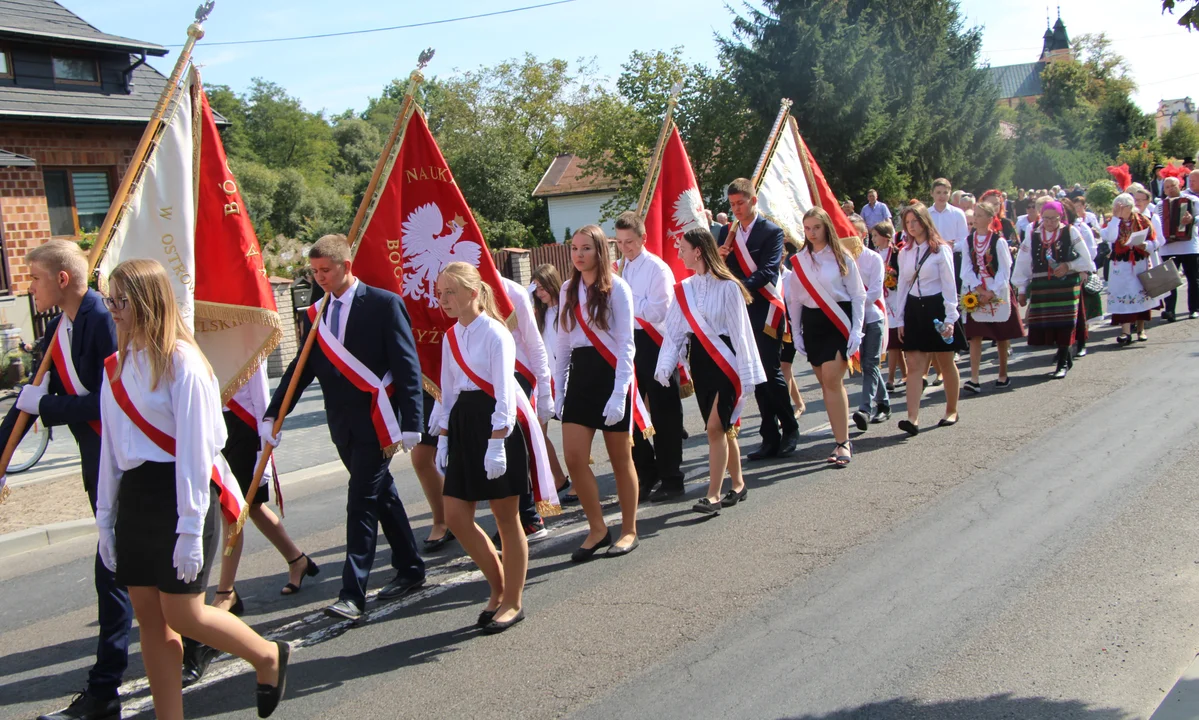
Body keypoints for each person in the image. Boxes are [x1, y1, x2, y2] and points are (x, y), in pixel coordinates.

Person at [95, 259, 287, 720]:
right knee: (150, 619)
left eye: (121, 301)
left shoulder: (184, 362)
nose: (114, 311)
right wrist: (105, 518)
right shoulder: (116, 366)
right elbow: (112, 449)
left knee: (185, 614)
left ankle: (267, 656)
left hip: (182, 494)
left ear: (146, 302)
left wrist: (187, 527)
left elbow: (196, 454)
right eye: (110, 301)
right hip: (137, 497)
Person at [264, 234, 426, 623]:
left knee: (361, 503)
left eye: (326, 270)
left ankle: (352, 593)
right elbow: (299, 370)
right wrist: (274, 414)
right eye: (314, 271)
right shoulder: (314, 313)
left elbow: (407, 365)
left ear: (346, 266)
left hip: (377, 420)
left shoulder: (384, 304)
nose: (319, 278)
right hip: (341, 425)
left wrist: (412, 421)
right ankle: (410, 568)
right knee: (381, 496)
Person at [0, 241, 127, 720]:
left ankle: (105, 691)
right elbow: (26, 400)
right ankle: (198, 636)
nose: (25, 286)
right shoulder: (60, 327)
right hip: (97, 466)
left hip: (124, 466)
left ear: (62, 280)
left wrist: (46, 407)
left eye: (32, 277)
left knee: (113, 576)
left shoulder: (101, 319)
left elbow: (112, 403)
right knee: (127, 576)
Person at [181, 361, 317, 687]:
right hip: (217, 427)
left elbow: (260, 395)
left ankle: (226, 591)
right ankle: (297, 560)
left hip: (245, 428)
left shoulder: (244, 333)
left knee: (236, 512)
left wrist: (263, 451)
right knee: (249, 509)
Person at [432, 262, 534, 633]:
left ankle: (512, 601)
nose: (443, 299)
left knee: (507, 519)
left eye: (450, 292)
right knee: (456, 515)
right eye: (440, 292)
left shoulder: (495, 333)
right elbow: (449, 389)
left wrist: (497, 442)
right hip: (462, 425)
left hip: (494, 425)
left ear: (473, 293)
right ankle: (497, 586)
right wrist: (443, 437)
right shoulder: (450, 337)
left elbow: (505, 392)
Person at [656, 228, 764, 514]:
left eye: (683, 248)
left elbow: (742, 333)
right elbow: (675, 333)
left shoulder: (729, 287)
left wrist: (748, 374)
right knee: (724, 429)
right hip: (701, 362)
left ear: (698, 251)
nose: (679, 253)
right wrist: (666, 365)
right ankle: (738, 484)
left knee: (714, 428)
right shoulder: (685, 289)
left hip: (726, 361)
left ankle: (713, 494)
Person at [554, 225, 641, 561]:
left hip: (611, 375)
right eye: (575, 248)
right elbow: (563, 342)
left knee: (620, 459)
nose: (579, 254)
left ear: (601, 251)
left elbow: (625, 345)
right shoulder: (567, 289)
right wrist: (559, 389)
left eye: (586, 248)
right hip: (580, 376)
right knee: (574, 458)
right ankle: (597, 528)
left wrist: (620, 392)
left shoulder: (618, 288)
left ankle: (630, 529)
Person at [717, 178, 799, 460]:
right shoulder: (727, 233)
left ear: (753, 200)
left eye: (741, 203)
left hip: (765, 309)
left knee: (769, 371)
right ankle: (769, 436)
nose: (736, 209)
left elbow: (768, 271)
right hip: (738, 311)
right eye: (732, 204)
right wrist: (720, 258)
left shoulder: (771, 232)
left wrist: (738, 287)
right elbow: (719, 270)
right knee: (755, 374)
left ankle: (789, 427)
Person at [614, 212, 686, 503]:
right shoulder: (620, 268)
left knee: (664, 412)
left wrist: (627, 299)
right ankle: (647, 470)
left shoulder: (658, 269)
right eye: (619, 242)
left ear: (643, 238)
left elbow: (660, 310)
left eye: (630, 241)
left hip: (656, 342)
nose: (625, 248)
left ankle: (672, 477)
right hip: (629, 343)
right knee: (630, 412)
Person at [785, 208, 865, 467]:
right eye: (807, 228)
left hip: (837, 320)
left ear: (826, 227)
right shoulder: (799, 260)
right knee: (825, 383)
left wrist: (856, 329)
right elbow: (795, 299)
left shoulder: (842, 256)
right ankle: (839, 436)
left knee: (832, 380)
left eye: (816, 227)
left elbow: (857, 295)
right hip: (813, 322)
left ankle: (842, 442)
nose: (811, 233)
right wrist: (796, 331)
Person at [894, 203, 963, 436]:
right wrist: (900, 318)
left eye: (915, 221)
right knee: (914, 365)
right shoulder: (904, 252)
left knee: (945, 362)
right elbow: (903, 285)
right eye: (908, 223)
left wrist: (951, 317)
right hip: (914, 310)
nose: (912, 227)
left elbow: (949, 284)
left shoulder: (940, 250)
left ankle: (951, 409)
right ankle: (912, 418)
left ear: (924, 221)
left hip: (937, 308)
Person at [498, 274, 554, 543]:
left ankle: (529, 516)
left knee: (514, 447)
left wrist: (544, 390)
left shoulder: (513, 292)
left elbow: (534, 344)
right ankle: (509, 516)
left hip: (519, 377)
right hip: (486, 377)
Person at [1012, 201, 1096, 378]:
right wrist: (1021, 288)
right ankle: (1065, 356)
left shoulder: (1070, 231)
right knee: (1050, 324)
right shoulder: (1033, 234)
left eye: (1054, 218)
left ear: (1061, 217)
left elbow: (1087, 260)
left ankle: (1062, 362)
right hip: (1043, 286)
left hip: (1066, 285)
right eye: (1046, 218)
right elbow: (1024, 261)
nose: (1050, 222)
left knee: (1066, 323)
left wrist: (1069, 265)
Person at [960, 201, 1023, 392]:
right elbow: (966, 269)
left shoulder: (998, 241)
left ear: (989, 219)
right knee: (975, 336)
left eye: (979, 215)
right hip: (977, 290)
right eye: (975, 216)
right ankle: (974, 378)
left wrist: (992, 291)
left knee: (1001, 334)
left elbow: (1005, 269)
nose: (976, 219)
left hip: (997, 289)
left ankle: (1002, 374)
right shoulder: (968, 242)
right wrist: (980, 290)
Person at [529, 264, 573, 501]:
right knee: (538, 432)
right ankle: (559, 478)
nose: (540, 292)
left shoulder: (568, 308)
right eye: (536, 288)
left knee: (573, 435)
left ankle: (578, 481)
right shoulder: (539, 315)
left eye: (543, 286)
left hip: (569, 377)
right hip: (547, 380)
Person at [844, 215, 887, 430]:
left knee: (870, 363)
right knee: (866, 365)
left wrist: (857, 305)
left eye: (855, 234)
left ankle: (865, 409)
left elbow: (875, 291)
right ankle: (884, 403)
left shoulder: (873, 258)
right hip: (852, 321)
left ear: (863, 235)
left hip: (872, 318)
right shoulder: (842, 260)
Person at [1101, 193, 1161, 346]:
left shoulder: (1143, 220)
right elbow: (1111, 237)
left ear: (1129, 207)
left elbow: (1156, 241)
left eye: (1121, 207)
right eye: (1116, 206)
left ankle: (1141, 329)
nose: (1118, 209)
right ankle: (1125, 331)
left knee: (1140, 295)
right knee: (1124, 296)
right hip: (1121, 266)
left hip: (1139, 263)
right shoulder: (1113, 222)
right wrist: (1115, 218)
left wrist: (1145, 246)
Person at [871, 220, 907, 397]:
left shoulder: (897, 254)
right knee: (893, 342)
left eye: (876, 235)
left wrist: (893, 279)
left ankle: (891, 378)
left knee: (893, 343)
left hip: (896, 298)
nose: (873, 238)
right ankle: (905, 374)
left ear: (886, 237)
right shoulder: (874, 255)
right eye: (872, 236)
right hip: (882, 300)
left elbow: (904, 275)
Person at [1162, 172, 1199, 321]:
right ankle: (1170, 310)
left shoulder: (1192, 200)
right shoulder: (1160, 205)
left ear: (1180, 186)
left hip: (1189, 246)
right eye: (1167, 187)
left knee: (1193, 278)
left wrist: (1193, 219)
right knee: (1170, 280)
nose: (1170, 189)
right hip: (1168, 247)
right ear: (1164, 190)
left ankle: (1194, 309)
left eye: (1173, 186)